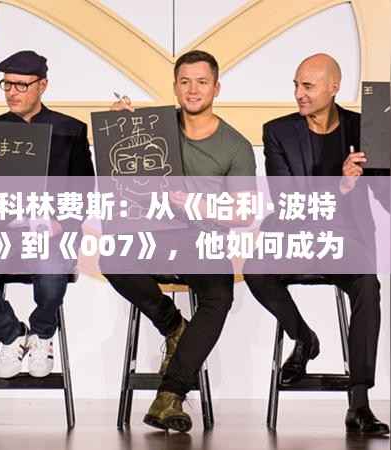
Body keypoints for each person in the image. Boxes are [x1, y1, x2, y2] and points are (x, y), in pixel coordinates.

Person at [103, 50, 256, 432]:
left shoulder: (235, 145)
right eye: (185, 82)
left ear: (216, 88)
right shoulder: (158, 129)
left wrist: (198, 205)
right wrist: (119, 124)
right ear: (175, 86)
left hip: (205, 239)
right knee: (111, 255)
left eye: (202, 82)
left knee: (219, 296)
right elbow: (121, 164)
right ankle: (174, 326)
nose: (193, 90)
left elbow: (244, 213)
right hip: (156, 234)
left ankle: (171, 394)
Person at [244, 53, 389, 436]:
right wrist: (340, 186)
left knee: (368, 286)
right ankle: (304, 338)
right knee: (256, 269)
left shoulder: (364, 127)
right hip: (295, 237)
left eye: (307, 86)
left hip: (349, 241)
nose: (299, 94)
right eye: (296, 85)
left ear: (333, 87)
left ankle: (359, 403)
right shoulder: (277, 132)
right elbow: (286, 203)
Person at [0, 50, 95, 379]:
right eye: (7, 85)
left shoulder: (71, 130)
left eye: (21, 85)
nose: (12, 92)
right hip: (0, 233)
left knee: (52, 272)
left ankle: (43, 335)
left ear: (42, 85)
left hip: (51, 234)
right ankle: (13, 335)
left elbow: (85, 190)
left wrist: (62, 223)